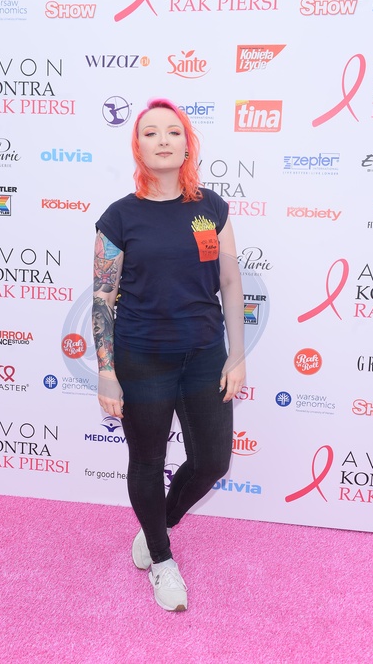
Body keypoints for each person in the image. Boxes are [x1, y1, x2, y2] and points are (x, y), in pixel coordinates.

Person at [92, 98, 245, 612]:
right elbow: (102, 297)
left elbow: (230, 282)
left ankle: (157, 525)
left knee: (212, 462)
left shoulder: (210, 208)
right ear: (137, 146)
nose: (163, 140)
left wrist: (237, 355)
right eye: (151, 132)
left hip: (204, 355)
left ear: (187, 144)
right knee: (148, 460)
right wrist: (107, 373)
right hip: (142, 358)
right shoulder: (119, 217)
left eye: (174, 132)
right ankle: (161, 559)